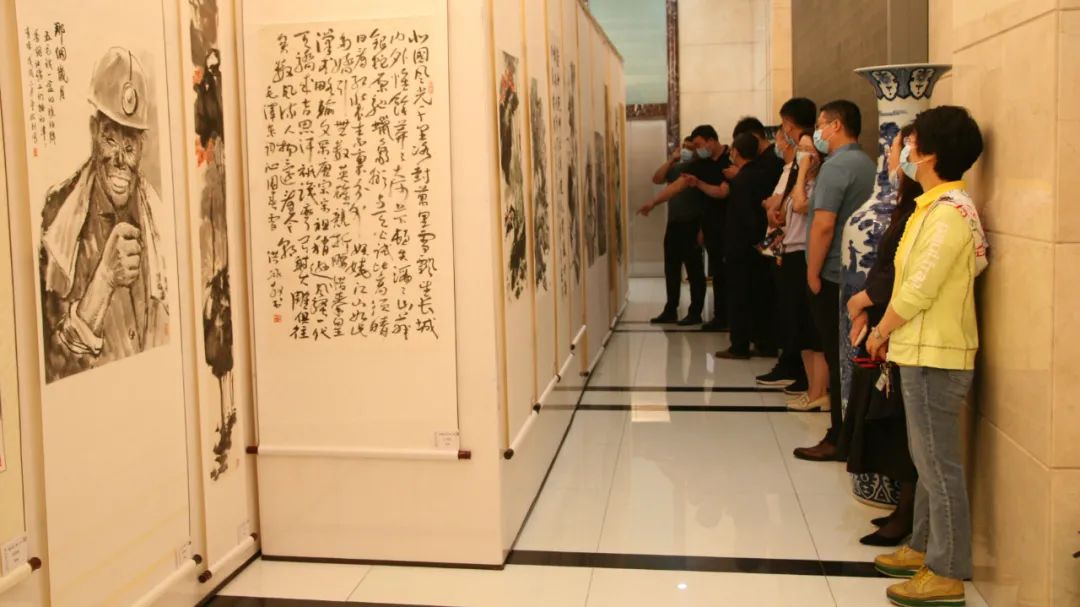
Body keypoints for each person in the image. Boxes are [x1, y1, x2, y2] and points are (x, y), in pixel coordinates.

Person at [868, 106, 987, 607]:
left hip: (935, 354)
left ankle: (947, 571)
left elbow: (919, 288)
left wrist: (881, 329)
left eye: (912, 143)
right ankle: (921, 546)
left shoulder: (949, 213)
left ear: (931, 152)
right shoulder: (933, 206)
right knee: (926, 459)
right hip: (919, 349)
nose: (905, 152)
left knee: (939, 466)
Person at [39, 47, 170, 384]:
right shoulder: (58, 215)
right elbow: (51, 366)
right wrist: (104, 279)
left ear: (142, 146)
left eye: (130, 146)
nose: (121, 161)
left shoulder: (158, 216)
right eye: (111, 140)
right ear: (93, 131)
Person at [840, 124, 921, 546]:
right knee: (893, 422)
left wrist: (865, 303)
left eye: (898, 149)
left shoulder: (924, 212)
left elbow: (903, 275)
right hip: (884, 321)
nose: (891, 157)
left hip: (901, 329)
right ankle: (903, 509)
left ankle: (908, 516)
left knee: (905, 426)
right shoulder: (907, 206)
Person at [793, 100, 876, 461]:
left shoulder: (836, 167)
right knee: (850, 358)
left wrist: (812, 273)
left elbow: (824, 225)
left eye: (821, 125)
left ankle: (840, 437)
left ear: (836, 125)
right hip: (857, 273)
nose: (818, 133)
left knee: (837, 355)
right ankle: (850, 436)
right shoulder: (867, 163)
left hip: (832, 274)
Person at [639, 125, 731, 327]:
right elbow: (672, 185)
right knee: (673, 268)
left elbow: (722, 193)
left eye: (696, 146)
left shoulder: (728, 159)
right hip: (680, 224)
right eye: (691, 147)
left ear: (711, 141)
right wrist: (653, 203)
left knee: (701, 272)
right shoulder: (692, 167)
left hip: (703, 224)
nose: (695, 150)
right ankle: (672, 309)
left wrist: (699, 186)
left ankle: (706, 314)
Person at [757, 98, 818, 391]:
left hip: (802, 246)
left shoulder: (808, 158)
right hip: (789, 243)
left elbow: (799, 201)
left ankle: (804, 375)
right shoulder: (793, 164)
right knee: (791, 312)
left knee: (799, 316)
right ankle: (798, 370)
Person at [714, 120, 783, 359]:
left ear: (736, 152)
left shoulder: (743, 179)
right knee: (761, 296)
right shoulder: (763, 173)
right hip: (760, 248)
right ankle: (765, 342)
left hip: (742, 249)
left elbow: (746, 218)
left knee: (739, 297)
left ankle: (739, 345)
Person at [643, 137, 707, 325]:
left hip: (693, 224)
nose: (686, 151)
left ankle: (695, 312)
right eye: (684, 147)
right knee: (671, 269)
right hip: (674, 225)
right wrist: (671, 160)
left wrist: (702, 229)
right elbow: (657, 178)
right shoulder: (676, 168)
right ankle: (670, 309)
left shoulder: (700, 169)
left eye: (690, 148)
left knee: (694, 272)